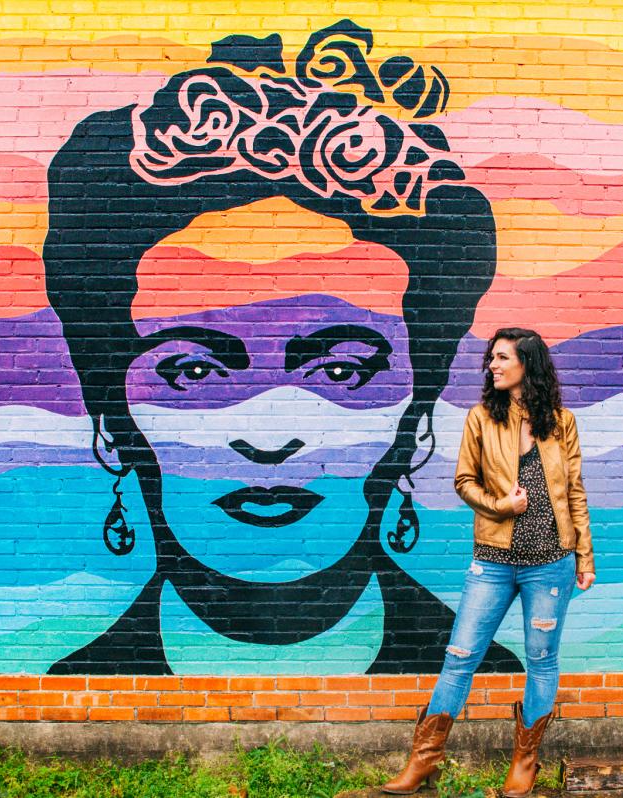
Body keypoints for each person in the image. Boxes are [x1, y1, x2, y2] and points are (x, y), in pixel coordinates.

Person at [42, 21, 522, 675]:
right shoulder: (82, 693)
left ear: (417, 427)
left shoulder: (493, 681)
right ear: (110, 423)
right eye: (193, 369)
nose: (269, 438)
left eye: (342, 369)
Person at [382, 328, 596, 796]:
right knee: (459, 658)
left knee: (541, 662)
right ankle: (423, 762)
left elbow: (575, 492)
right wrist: (502, 505)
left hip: (551, 564)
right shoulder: (480, 418)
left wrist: (584, 555)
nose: (492, 366)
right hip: (493, 562)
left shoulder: (562, 422)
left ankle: (525, 762)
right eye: (491, 359)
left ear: (528, 365)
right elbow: (463, 481)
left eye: (502, 358)